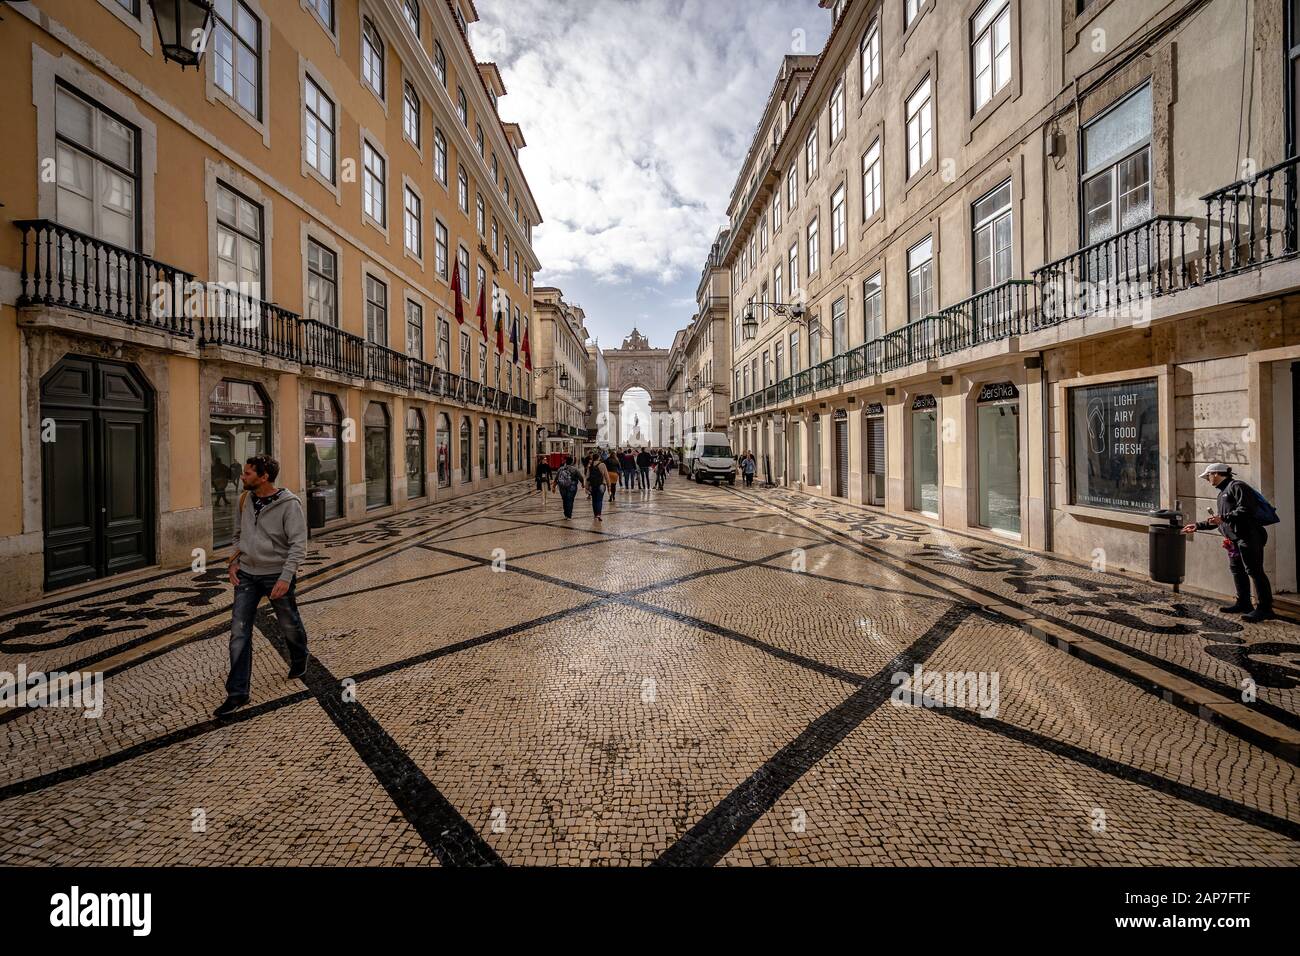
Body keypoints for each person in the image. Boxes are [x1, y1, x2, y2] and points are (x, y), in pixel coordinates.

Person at [215, 454, 310, 718]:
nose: (242, 476)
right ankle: (237, 693)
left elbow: (298, 546)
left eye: (247, 473)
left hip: (275, 574)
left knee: (288, 622)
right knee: (239, 632)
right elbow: (237, 535)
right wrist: (234, 561)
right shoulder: (245, 499)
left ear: (264, 477)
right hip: (246, 574)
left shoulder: (290, 505)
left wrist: (285, 577)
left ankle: (299, 655)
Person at [1182, 463, 1276, 622]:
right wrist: (1198, 526)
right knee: (1237, 571)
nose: (1207, 479)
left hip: (1249, 537)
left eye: (1208, 476)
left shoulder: (1237, 486)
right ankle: (1244, 603)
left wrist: (1224, 518)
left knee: (1254, 571)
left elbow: (1246, 510)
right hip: (1233, 539)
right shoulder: (1222, 493)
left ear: (1217, 474)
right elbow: (1221, 519)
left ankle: (1265, 608)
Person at [554, 455, 583, 519]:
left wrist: (554, 486)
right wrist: (583, 484)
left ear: (565, 462)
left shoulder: (561, 469)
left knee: (564, 500)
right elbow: (580, 477)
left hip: (562, 486)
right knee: (570, 500)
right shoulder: (575, 469)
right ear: (572, 462)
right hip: (572, 486)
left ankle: (566, 514)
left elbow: (556, 478)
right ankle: (569, 515)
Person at [587, 454, 608, 521]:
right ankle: (599, 514)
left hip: (592, 485)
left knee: (594, 500)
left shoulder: (590, 465)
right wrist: (609, 485)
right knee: (599, 500)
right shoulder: (602, 465)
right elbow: (606, 475)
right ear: (599, 457)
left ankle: (595, 514)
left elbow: (587, 476)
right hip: (601, 485)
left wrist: (586, 486)